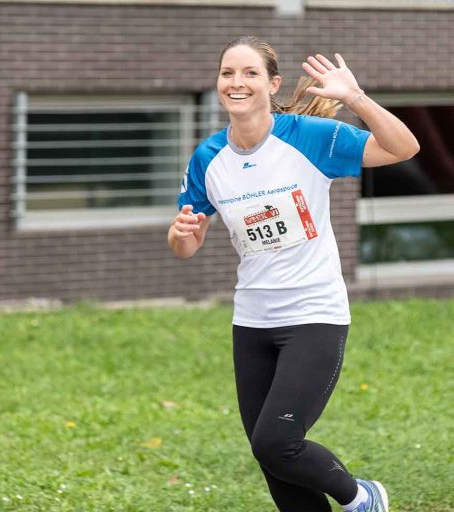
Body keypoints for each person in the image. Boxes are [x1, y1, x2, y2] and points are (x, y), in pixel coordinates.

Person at [168, 36, 419, 512]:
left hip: (314, 314)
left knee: (277, 441)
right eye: (227, 73)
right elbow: (186, 244)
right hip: (253, 321)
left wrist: (355, 99)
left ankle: (361, 497)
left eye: (249, 73)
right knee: (274, 465)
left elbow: (403, 148)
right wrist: (182, 232)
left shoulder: (309, 137)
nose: (236, 83)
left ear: (272, 83)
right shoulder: (208, 158)